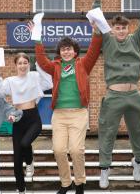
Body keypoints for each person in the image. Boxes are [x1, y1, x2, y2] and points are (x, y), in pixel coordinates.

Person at [30, 17, 102, 193]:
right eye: (63, 49)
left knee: (77, 150)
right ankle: (66, 183)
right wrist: (37, 38)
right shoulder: (55, 67)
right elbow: (40, 59)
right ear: (60, 52)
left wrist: (96, 31)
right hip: (60, 115)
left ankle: (79, 183)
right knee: (59, 150)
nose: (66, 52)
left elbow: (94, 49)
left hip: (78, 113)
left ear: (75, 51)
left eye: (69, 49)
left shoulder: (84, 64)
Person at [92, 0, 140, 189]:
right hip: (114, 96)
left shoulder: (135, 40)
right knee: (107, 131)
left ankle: (138, 162)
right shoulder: (108, 41)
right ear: (112, 29)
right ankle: (104, 169)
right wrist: (96, 0)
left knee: (137, 131)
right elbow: (97, 18)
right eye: (117, 28)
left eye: (124, 28)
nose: (121, 31)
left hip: (134, 95)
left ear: (128, 29)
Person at [0, 53, 52, 194]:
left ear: (29, 64)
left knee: (25, 144)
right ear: (15, 65)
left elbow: (49, 83)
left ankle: (30, 162)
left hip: (33, 118)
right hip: (18, 119)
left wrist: (40, 65)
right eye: (20, 63)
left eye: (25, 62)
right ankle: (21, 189)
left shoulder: (35, 77)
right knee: (17, 160)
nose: (23, 65)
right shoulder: (11, 81)